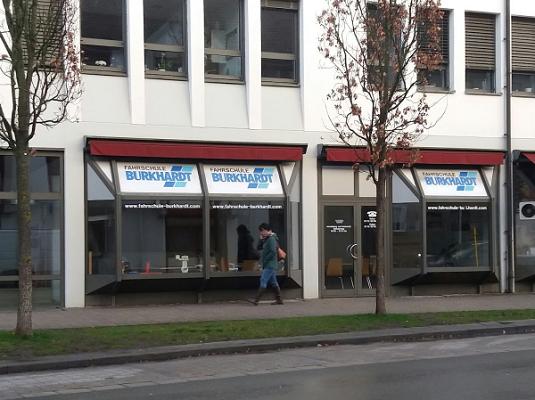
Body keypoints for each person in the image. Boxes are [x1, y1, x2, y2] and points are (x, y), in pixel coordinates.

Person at [252, 222, 283, 305]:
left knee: (263, 280)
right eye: (260, 231)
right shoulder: (267, 239)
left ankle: (256, 300)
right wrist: (261, 239)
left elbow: (273, 251)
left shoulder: (272, 239)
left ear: (267, 230)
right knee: (273, 282)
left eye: (262, 231)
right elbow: (258, 247)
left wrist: (265, 260)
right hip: (270, 264)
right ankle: (279, 300)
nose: (261, 233)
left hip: (270, 264)